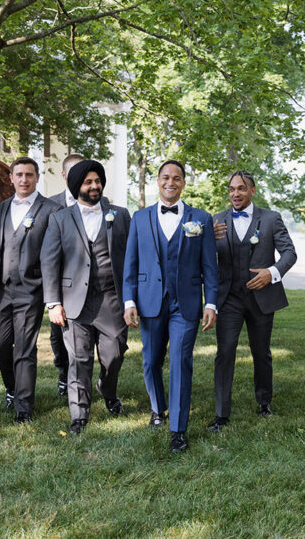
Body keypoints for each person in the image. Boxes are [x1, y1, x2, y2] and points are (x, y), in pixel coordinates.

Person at [122, 160, 218, 453]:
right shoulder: (140, 218)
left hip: (185, 304)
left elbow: (209, 266)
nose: (171, 182)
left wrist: (211, 302)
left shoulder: (201, 219)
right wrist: (129, 300)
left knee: (180, 361)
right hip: (150, 300)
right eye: (166, 177)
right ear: (158, 181)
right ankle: (157, 407)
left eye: (177, 178)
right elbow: (131, 263)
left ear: (184, 183)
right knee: (151, 360)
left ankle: (178, 430)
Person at [42, 160, 131, 435]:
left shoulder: (121, 214)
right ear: (76, 186)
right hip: (74, 302)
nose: (94, 186)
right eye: (88, 182)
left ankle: (107, 388)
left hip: (111, 299)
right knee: (78, 360)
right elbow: (49, 261)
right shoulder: (60, 218)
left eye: (97, 181)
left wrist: (131, 299)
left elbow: (132, 256)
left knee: (114, 354)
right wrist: (53, 302)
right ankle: (79, 416)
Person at [207, 171, 297, 431]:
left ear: (253, 191)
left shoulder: (271, 219)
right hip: (229, 298)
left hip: (261, 298)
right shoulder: (217, 221)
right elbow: (203, 258)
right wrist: (208, 242)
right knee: (225, 352)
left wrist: (272, 273)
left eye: (241, 189)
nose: (236, 194)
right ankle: (221, 413)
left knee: (261, 352)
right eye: (232, 189)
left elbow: (289, 253)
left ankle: (264, 402)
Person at [0, 156, 62, 423]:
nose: (23, 179)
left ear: (37, 177)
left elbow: (54, 255)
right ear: (11, 178)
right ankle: (12, 388)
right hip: (0, 288)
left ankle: (24, 407)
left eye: (29, 175)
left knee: (25, 349)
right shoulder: (1, 208)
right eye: (18, 175)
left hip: (31, 290)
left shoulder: (51, 210)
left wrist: (51, 294)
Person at [46, 153, 85, 396]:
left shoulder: (101, 201)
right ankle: (63, 374)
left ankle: (85, 376)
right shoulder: (51, 205)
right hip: (59, 280)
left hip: (88, 279)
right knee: (58, 334)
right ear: (64, 176)